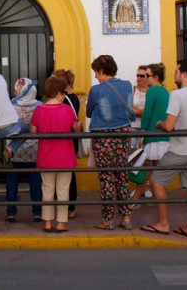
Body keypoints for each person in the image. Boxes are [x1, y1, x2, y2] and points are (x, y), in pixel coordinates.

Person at [140, 59, 187, 239]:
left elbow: (169, 126)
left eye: (177, 71)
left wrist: (160, 123)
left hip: (181, 148)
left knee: (156, 181)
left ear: (184, 74)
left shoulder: (178, 95)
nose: (174, 74)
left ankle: (163, 223)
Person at [86, 55, 135, 231]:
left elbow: (89, 112)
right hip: (123, 135)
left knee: (106, 177)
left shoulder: (96, 90)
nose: (95, 77)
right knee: (122, 176)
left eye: (96, 73)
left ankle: (108, 220)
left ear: (101, 71)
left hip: (103, 137)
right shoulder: (128, 85)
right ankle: (126, 217)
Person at [31, 76, 81, 233]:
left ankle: (47, 222)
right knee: (63, 190)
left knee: (47, 189)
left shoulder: (38, 110)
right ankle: (61, 223)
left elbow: (33, 131)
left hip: (45, 156)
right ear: (59, 93)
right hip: (65, 155)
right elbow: (76, 128)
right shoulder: (67, 110)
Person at [130, 62, 170, 205]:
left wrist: (142, 133)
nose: (145, 78)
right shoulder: (165, 91)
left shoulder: (152, 91)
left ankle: (139, 199)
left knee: (148, 168)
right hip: (162, 135)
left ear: (155, 77)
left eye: (147, 75)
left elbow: (147, 114)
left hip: (152, 135)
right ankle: (142, 198)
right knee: (152, 169)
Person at [5, 78, 43, 223]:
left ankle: (11, 213)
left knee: (12, 183)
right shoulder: (40, 106)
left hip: (13, 151)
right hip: (34, 151)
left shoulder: (10, 105)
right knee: (35, 183)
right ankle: (37, 213)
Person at [52, 68, 80, 219]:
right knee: (69, 172)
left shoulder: (63, 100)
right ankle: (70, 206)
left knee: (62, 173)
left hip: (63, 138)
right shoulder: (74, 98)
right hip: (71, 138)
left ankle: (66, 206)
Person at [132, 65, 149, 148]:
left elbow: (152, 110)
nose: (139, 78)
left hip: (147, 127)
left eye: (142, 76)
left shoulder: (151, 91)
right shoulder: (133, 89)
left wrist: (137, 112)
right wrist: (143, 112)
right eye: (137, 75)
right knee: (132, 153)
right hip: (133, 127)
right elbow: (129, 108)